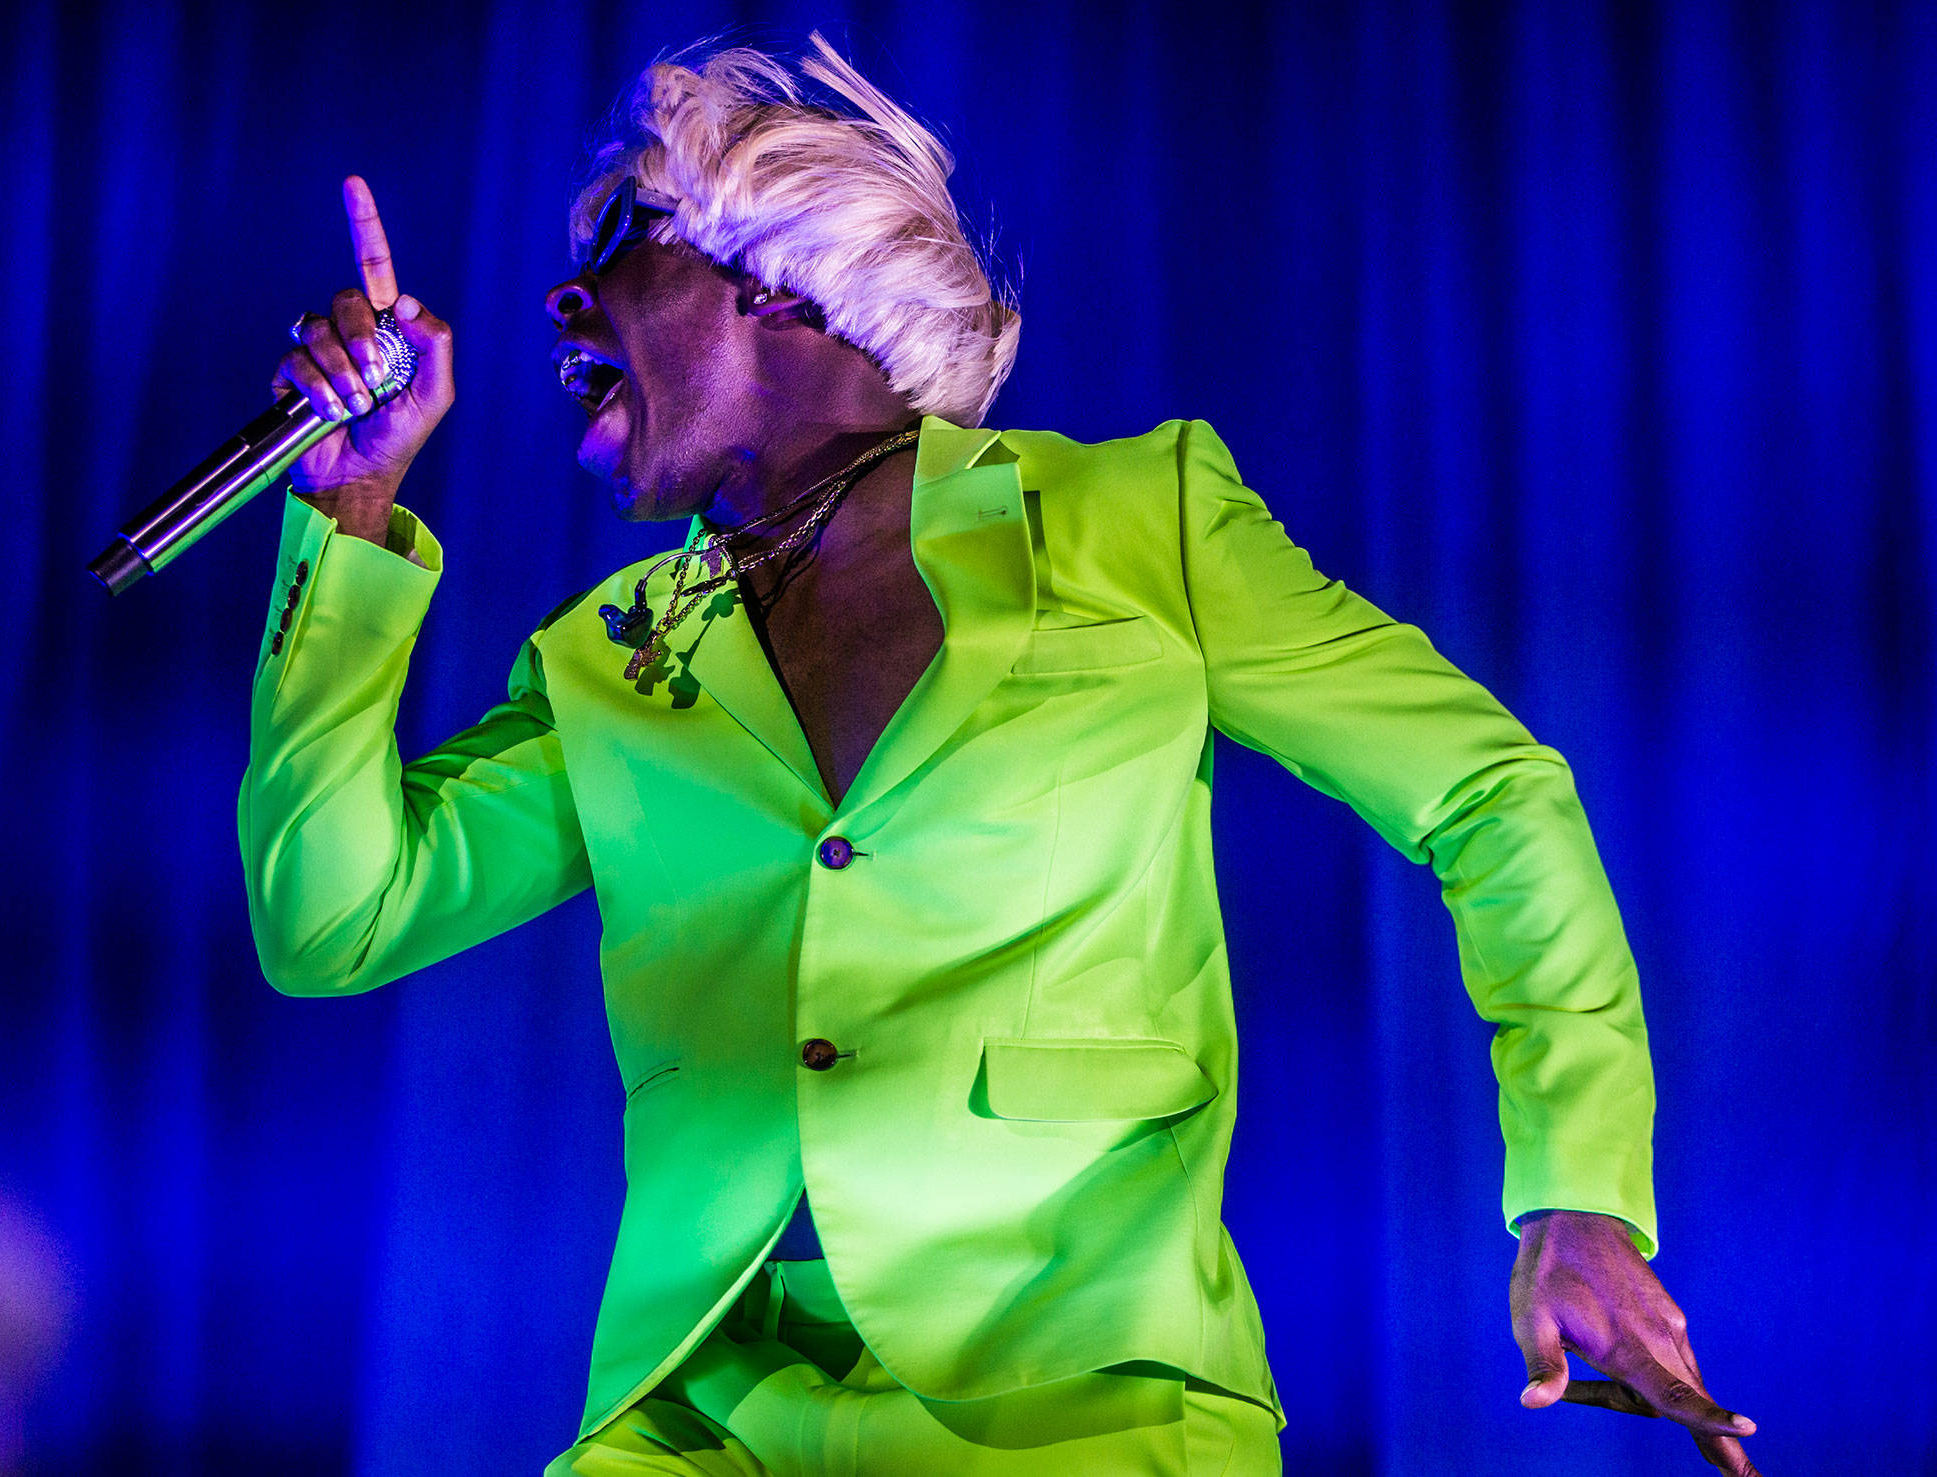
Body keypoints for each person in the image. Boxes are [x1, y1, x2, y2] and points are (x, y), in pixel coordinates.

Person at [238, 31, 1759, 1476]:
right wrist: (350, 508)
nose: (561, 298)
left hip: (1088, 1394)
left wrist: (1577, 1193)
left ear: (776, 279)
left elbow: (1487, 792)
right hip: (707, 1409)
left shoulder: (1133, 523)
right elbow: (335, 917)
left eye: (623, 243)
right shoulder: (611, 654)